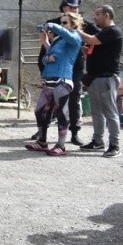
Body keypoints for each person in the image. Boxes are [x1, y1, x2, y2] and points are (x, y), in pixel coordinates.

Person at [34, 0, 99, 145]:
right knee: (48, 103)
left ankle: (74, 133)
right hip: (53, 69)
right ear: (64, 8)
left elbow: (99, 38)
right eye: (71, 7)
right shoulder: (56, 24)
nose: (74, 10)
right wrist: (44, 66)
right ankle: (42, 132)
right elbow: (47, 52)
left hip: (74, 68)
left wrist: (88, 49)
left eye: (76, 7)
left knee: (74, 100)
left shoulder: (82, 25)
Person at [25, 13, 83, 156]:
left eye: (65, 23)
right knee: (40, 111)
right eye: (61, 22)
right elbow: (46, 57)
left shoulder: (75, 37)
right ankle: (42, 142)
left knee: (61, 113)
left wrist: (53, 25)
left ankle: (61, 146)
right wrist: (46, 50)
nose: (62, 25)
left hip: (62, 80)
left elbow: (68, 36)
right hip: (49, 79)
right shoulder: (58, 41)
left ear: (73, 24)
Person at [78, 5, 123, 158]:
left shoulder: (112, 31)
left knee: (110, 113)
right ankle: (98, 141)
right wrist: (86, 52)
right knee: (96, 112)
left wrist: (74, 29)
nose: (95, 17)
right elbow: (93, 49)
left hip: (106, 78)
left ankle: (114, 145)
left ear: (107, 15)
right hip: (95, 78)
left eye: (97, 14)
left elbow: (91, 40)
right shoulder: (103, 33)